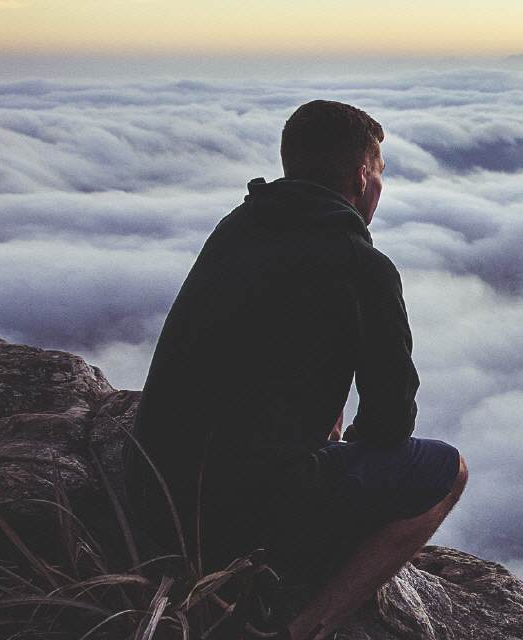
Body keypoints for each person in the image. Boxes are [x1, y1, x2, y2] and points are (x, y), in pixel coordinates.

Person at [130, 99, 468, 640]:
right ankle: (307, 627)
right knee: (447, 472)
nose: (379, 187)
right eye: (379, 173)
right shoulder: (362, 267)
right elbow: (390, 422)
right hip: (242, 512)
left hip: (153, 493)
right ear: (361, 177)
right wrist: (345, 454)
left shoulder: (237, 227)